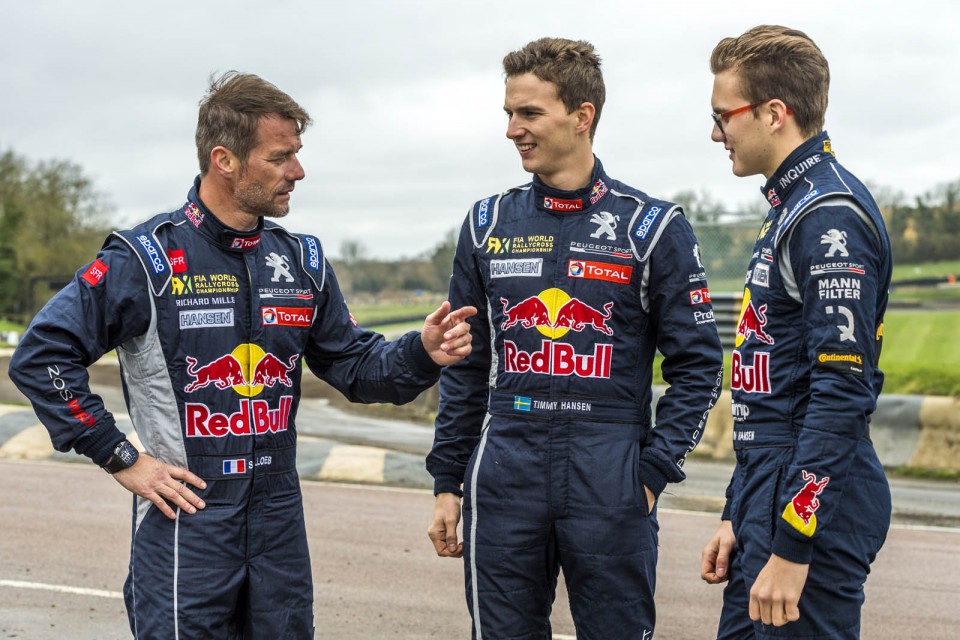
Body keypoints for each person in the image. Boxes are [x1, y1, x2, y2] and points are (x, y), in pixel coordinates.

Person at [7, 71, 476, 639]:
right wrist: (121, 457)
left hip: (278, 513)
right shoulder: (146, 258)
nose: (297, 173)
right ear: (225, 160)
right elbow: (41, 356)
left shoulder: (300, 260)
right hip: (188, 513)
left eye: (297, 155)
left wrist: (421, 353)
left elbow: (354, 365)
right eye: (281, 158)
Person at [426, 37, 724, 639]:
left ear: (582, 116)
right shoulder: (486, 224)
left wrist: (653, 471)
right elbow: (463, 366)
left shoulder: (652, 226)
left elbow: (699, 366)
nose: (513, 129)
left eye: (529, 113)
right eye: (509, 113)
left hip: (610, 469)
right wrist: (447, 482)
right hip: (506, 465)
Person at [699, 25, 893, 638]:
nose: (715, 132)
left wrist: (793, 543)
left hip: (814, 502)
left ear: (774, 113)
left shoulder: (827, 214)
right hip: (768, 487)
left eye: (722, 116)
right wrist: (739, 511)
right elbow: (771, 381)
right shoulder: (788, 205)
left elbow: (841, 393)